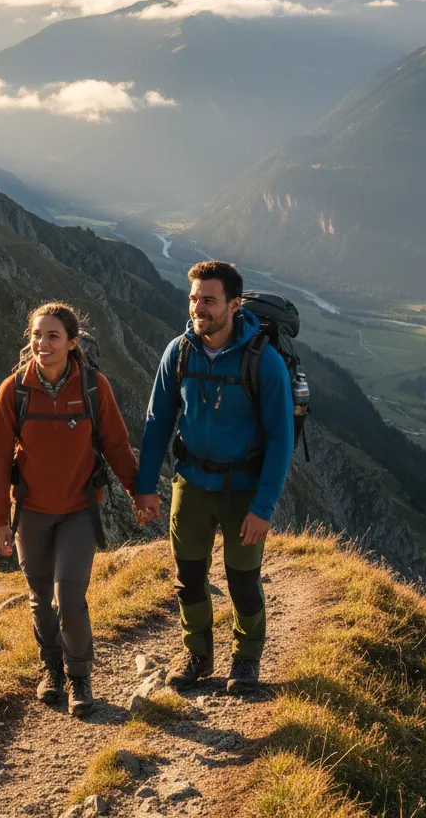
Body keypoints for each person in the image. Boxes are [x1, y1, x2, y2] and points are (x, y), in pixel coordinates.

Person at [133, 261, 293, 693]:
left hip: (243, 491)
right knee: (188, 579)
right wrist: (145, 486)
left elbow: (281, 439)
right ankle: (198, 656)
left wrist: (263, 508)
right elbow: (157, 421)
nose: (197, 308)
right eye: (193, 299)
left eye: (208, 300)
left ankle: (246, 659)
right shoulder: (179, 351)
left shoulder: (264, 362)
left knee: (242, 582)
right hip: (191, 485)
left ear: (233, 304)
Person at [0, 302, 139, 717]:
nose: (42, 343)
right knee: (39, 598)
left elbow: (116, 446)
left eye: (53, 336)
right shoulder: (14, 390)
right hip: (31, 513)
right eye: (36, 335)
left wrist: (139, 493)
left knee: (68, 596)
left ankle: (79, 676)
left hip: (78, 511)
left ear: (73, 343)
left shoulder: (93, 387)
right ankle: (51, 670)